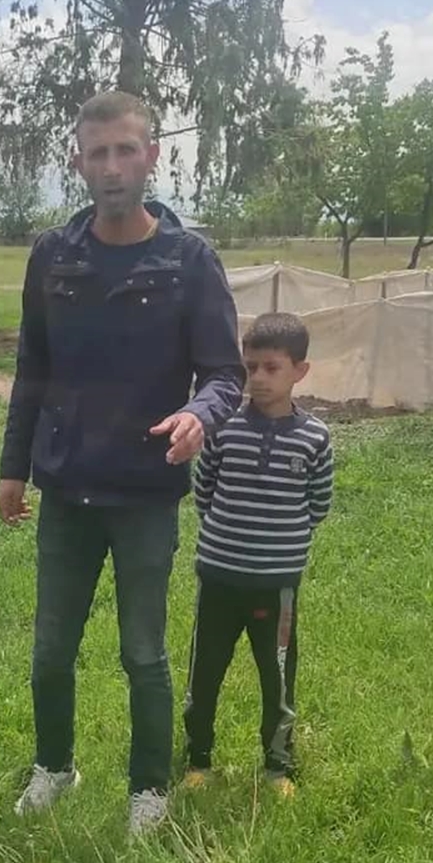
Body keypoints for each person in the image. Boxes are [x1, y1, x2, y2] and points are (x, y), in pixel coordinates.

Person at [0, 91, 244, 836]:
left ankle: (149, 787)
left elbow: (226, 375)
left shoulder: (189, 259)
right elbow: (30, 367)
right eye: (96, 153)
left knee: (144, 653)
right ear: (77, 161)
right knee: (50, 650)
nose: (111, 167)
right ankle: (54, 766)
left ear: (152, 156)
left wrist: (198, 416)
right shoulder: (53, 256)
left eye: (125, 150)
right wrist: (14, 466)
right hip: (66, 486)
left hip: (145, 492)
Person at [182, 313, 333, 797]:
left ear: (299, 371)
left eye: (272, 367)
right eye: (251, 367)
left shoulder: (315, 438)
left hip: (277, 585)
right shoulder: (223, 427)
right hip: (219, 578)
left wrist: (276, 545)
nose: (260, 379)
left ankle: (277, 767)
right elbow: (204, 491)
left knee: (279, 677)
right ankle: (198, 760)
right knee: (205, 672)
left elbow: (317, 505)